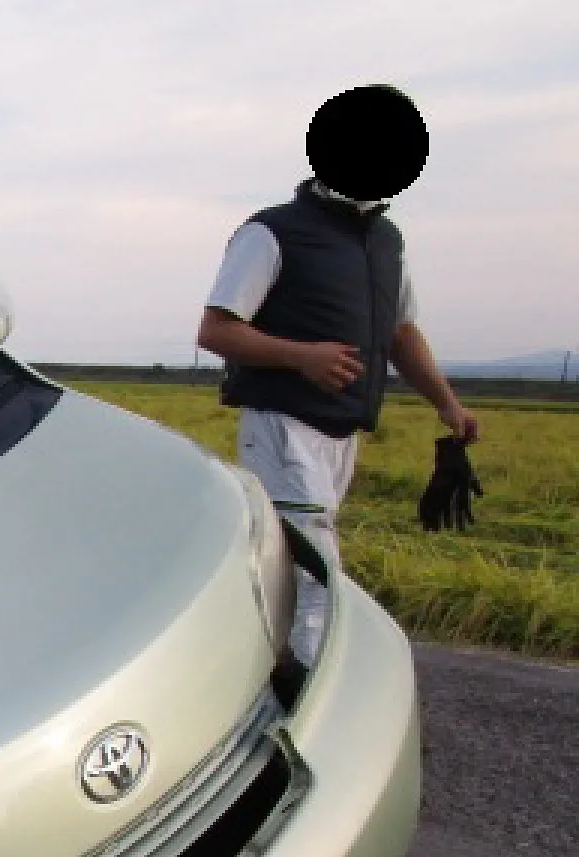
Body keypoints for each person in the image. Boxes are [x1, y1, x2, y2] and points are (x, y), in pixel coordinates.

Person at [197, 84, 479, 658]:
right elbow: (217, 331)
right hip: (283, 428)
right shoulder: (271, 232)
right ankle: (307, 713)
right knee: (316, 580)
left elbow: (401, 332)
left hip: (342, 435)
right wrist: (303, 356)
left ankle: (257, 677)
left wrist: (447, 404)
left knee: (291, 574)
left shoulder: (386, 242)